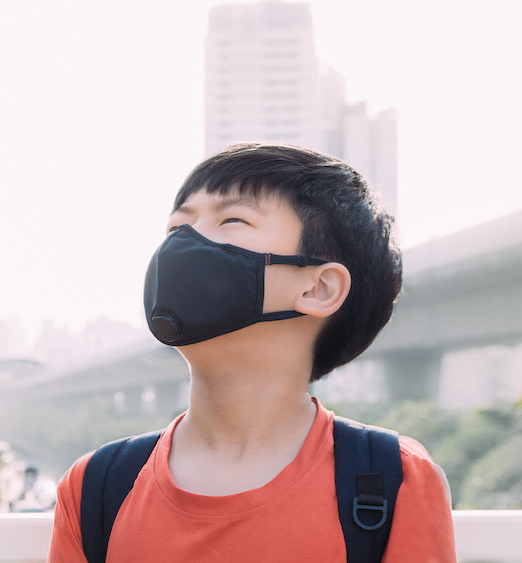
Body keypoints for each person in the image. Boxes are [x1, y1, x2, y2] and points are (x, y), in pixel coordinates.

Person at [47, 143, 455, 561]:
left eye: (231, 220)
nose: (182, 246)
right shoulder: (94, 487)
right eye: (176, 229)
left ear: (318, 288)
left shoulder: (394, 481)